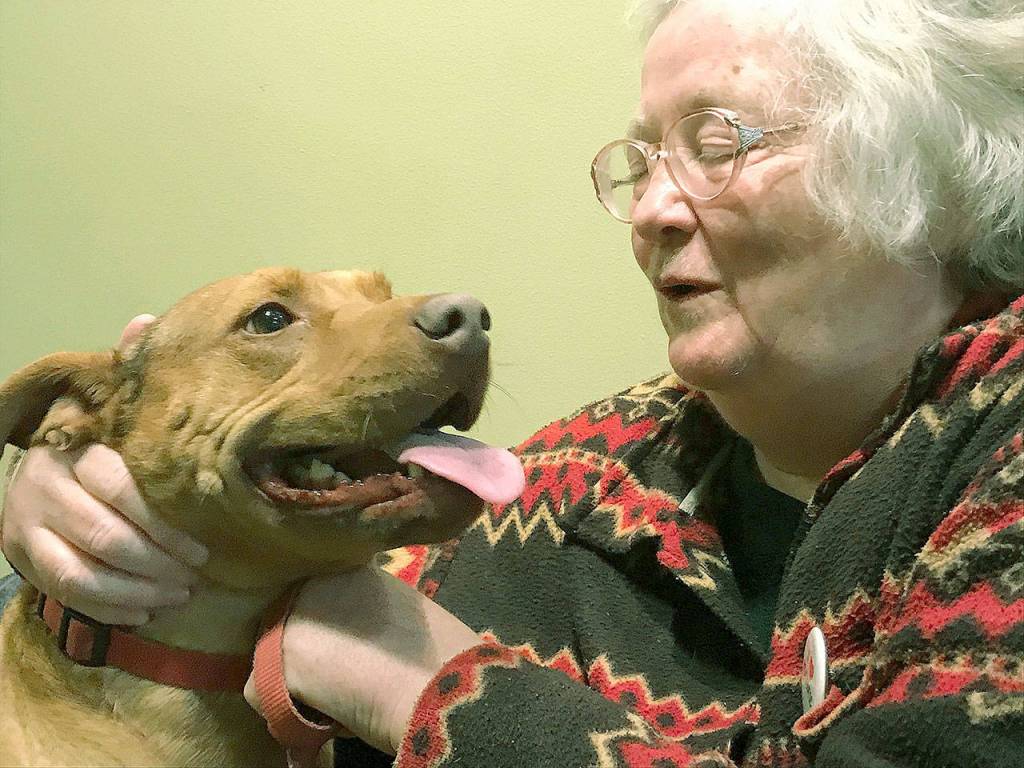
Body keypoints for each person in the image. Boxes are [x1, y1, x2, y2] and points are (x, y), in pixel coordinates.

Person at [2, 0, 1022, 765]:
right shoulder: (576, 479)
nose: (652, 209)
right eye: (641, 160)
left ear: (927, 167)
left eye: (719, 143)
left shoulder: (996, 452)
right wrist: (77, 513)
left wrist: (433, 691)